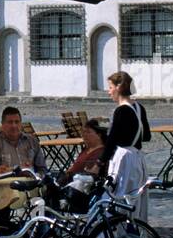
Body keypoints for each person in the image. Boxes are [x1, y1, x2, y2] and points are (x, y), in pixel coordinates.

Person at [101, 71, 151, 218]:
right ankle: (137, 227)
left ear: (118, 87)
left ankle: (121, 230)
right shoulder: (139, 108)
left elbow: (112, 140)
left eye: (110, 87)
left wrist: (100, 161)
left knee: (121, 196)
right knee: (137, 198)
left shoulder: (121, 110)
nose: (109, 91)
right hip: (138, 158)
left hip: (124, 159)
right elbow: (146, 136)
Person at [0, 106, 46, 176]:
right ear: (2, 124)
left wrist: (38, 177)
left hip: (30, 182)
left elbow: (42, 168)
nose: (14, 126)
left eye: (17, 122)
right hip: (6, 183)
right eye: (10, 122)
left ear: (21, 124)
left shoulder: (32, 140)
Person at [59, 120, 107, 185]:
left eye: (88, 132)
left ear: (99, 135)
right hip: (70, 181)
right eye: (83, 132)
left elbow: (90, 174)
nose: (84, 135)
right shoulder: (87, 149)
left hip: (79, 184)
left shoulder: (100, 152)